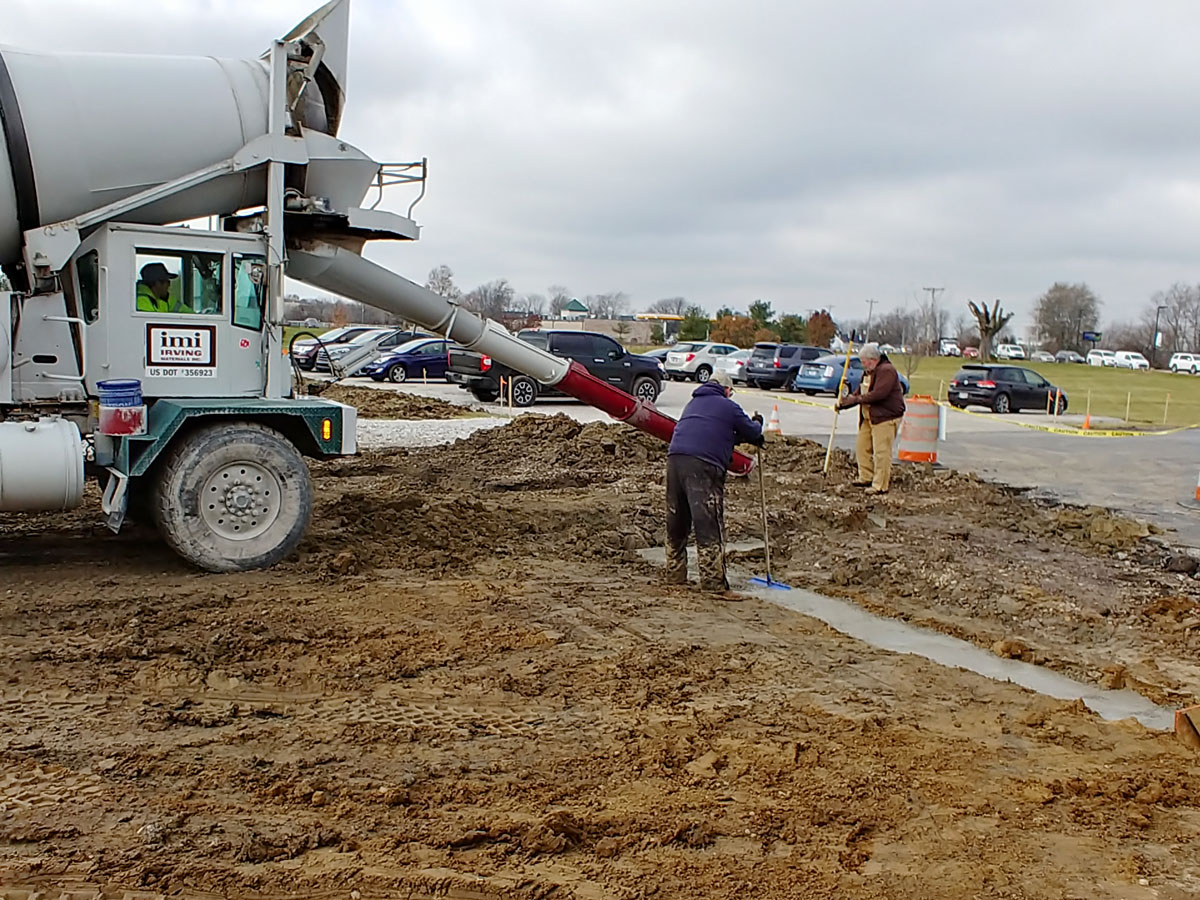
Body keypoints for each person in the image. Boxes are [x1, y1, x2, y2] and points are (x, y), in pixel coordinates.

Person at [665, 368, 765, 593]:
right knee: (708, 522)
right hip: (703, 465)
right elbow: (752, 432)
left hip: (675, 460)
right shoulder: (727, 406)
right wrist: (758, 423)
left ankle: (675, 574)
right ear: (727, 389)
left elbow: (713, 430)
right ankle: (713, 584)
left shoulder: (693, 404)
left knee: (677, 520)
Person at [835, 342, 906, 495]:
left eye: (863, 361)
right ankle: (866, 476)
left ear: (872, 359)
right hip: (869, 418)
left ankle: (880, 485)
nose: (862, 365)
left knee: (882, 452)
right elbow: (859, 392)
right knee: (862, 447)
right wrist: (844, 403)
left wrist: (856, 400)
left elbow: (879, 394)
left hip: (886, 418)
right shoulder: (868, 372)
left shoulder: (887, 371)